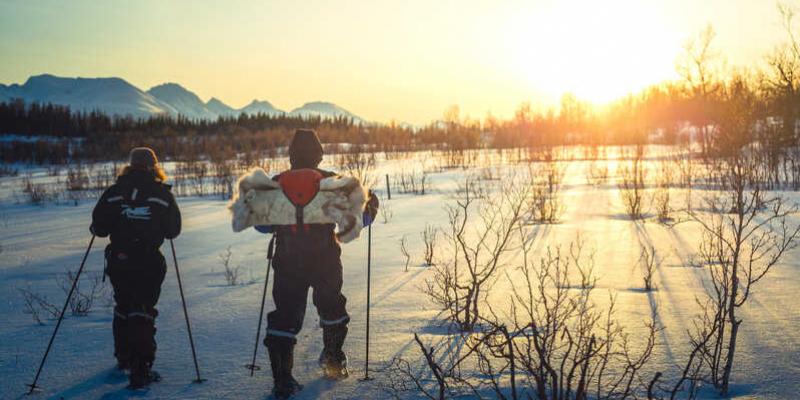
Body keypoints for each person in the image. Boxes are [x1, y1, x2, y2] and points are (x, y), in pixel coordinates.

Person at [255, 129, 378, 399]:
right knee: (332, 308)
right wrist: (371, 205)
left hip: (287, 261)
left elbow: (262, 226)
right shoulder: (331, 182)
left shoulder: (276, 184)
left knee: (285, 315)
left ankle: (282, 380)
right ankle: (333, 361)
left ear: (291, 155)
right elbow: (360, 219)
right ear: (319, 155)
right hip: (325, 260)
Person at [90, 147, 181, 389]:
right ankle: (141, 369)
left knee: (124, 306)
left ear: (130, 165)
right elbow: (173, 231)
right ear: (154, 166)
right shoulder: (161, 194)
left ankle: (124, 358)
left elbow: (98, 228)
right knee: (143, 308)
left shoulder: (114, 192)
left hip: (119, 260)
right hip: (149, 260)